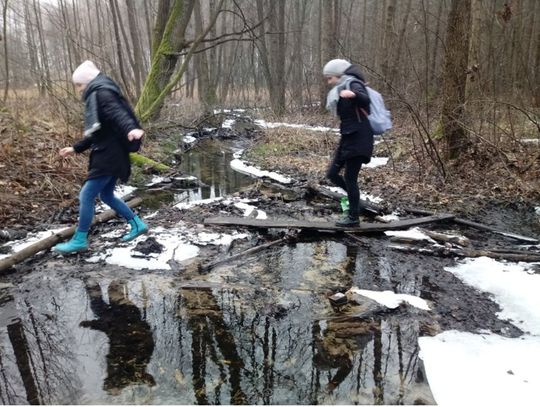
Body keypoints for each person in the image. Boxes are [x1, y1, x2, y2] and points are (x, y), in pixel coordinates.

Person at [53, 60, 148, 254]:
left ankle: (80, 240)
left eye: (79, 85)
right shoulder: (100, 92)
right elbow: (99, 132)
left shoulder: (101, 93)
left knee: (86, 195)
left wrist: (131, 128)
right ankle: (137, 224)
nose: (79, 90)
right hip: (110, 152)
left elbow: (118, 112)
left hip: (108, 155)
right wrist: (75, 148)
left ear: (87, 81)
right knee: (106, 194)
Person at [323, 58, 374, 227]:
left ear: (339, 75)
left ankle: (353, 218)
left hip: (359, 138)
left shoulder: (353, 84)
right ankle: (355, 202)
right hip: (348, 137)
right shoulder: (342, 87)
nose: (329, 82)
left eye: (330, 78)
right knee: (332, 174)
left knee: (350, 177)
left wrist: (354, 94)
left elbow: (365, 99)